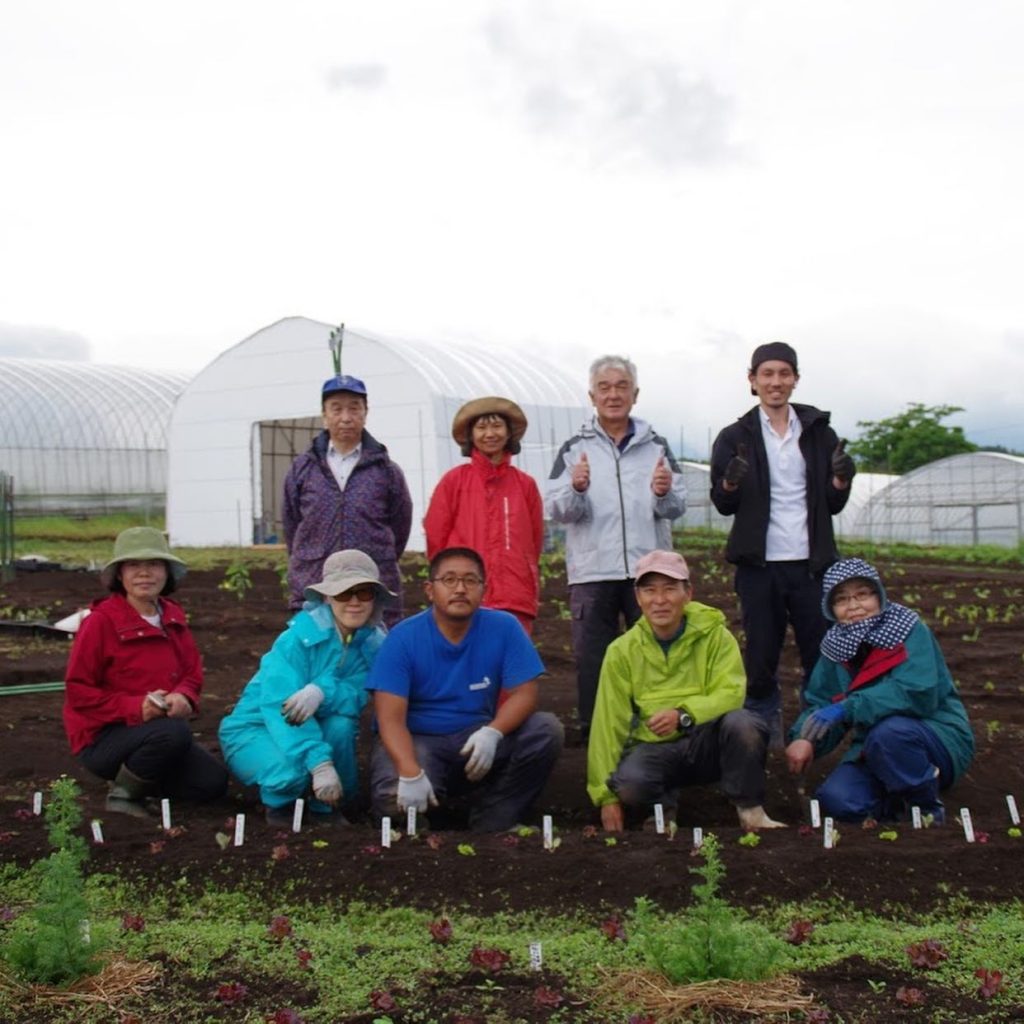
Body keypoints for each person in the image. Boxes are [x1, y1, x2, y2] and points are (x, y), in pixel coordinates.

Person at [709, 342, 856, 741]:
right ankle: (763, 729)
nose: (776, 382)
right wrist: (730, 482)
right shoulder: (734, 437)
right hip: (759, 565)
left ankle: (816, 729)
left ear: (795, 379)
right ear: (752, 380)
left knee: (819, 649)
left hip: (812, 564)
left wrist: (841, 479)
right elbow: (723, 503)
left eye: (784, 374)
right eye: (767, 374)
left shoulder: (819, 433)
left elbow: (833, 503)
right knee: (761, 653)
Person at [366, 546, 564, 831]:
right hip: (419, 740)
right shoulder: (403, 638)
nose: (460, 589)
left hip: (475, 739)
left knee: (545, 730)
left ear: (484, 589)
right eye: (449, 580)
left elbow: (525, 693)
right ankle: (426, 822)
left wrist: (492, 732)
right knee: (392, 798)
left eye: (470, 580)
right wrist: (409, 771)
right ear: (430, 590)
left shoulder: (504, 628)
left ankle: (495, 818)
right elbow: (390, 719)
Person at [587, 549, 783, 832]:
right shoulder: (622, 651)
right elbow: (608, 724)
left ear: (688, 593)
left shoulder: (716, 636)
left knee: (744, 724)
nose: (660, 600)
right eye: (650, 591)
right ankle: (662, 810)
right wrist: (605, 797)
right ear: (638, 598)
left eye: (670, 589)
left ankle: (750, 811)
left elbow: (731, 693)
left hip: (707, 742)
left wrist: (683, 715)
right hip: (655, 748)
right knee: (630, 784)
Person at [546, 355, 686, 739]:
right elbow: (557, 509)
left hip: (648, 571)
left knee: (654, 654)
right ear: (592, 396)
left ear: (635, 394)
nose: (613, 395)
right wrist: (576, 488)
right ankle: (597, 733)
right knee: (594, 658)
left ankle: (654, 731)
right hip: (592, 571)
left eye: (621, 387)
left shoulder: (656, 445)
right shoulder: (574, 448)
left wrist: (664, 493)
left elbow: (677, 507)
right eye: (604, 388)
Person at [786, 558, 974, 823]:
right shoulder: (835, 647)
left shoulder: (909, 630)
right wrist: (805, 737)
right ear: (831, 608)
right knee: (838, 799)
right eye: (841, 599)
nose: (853, 606)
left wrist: (848, 707)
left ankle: (926, 810)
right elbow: (823, 702)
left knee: (890, 734)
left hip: (934, 734)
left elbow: (916, 693)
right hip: (875, 745)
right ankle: (897, 802)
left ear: (879, 596)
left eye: (862, 594)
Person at [219, 550, 392, 826]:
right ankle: (281, 809)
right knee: (291, 775)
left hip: (316, 724)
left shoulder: (372, 646)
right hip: (257, 727)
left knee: (341, 725)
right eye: (344, 593)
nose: (354, 602)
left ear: (375, 599)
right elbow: (280, 708)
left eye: (364, 593)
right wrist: (320, 763)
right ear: (327, 597)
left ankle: (329, 808)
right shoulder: (295, 641)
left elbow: (354, 696)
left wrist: (320, 691)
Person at [63, 527, 228, 817]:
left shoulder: (172, 616)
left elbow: (191, 673)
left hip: (157, 734)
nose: (144, 573)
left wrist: (183, 696)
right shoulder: (100, 622)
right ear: (119, 575)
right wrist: (136, 708)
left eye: (153, 564)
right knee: (174, 733)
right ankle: (124, 797)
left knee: (211, 783)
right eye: (133, 565)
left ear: (166, 572)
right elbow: (78, 691)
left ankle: (141, 781)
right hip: (103, 738)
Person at [283, 373, 412, 626]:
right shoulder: (303, 468)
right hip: (315, 580)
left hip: (371, 585)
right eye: (336, 409)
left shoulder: (386, 470)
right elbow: (291, 523)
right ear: (324, 415)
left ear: (366, 413)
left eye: (354, 408)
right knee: (316, 646)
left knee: (374, 647)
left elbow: (400, 526)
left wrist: (375, 557)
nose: (345, 417)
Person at [423, 397, 543, 633]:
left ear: (509, 433)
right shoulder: (453, 481)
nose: (490, 434)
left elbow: (534, 541)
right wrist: (448, 582)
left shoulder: (525, 484)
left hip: (514, 596)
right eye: (481, 427)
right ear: (471, 435)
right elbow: (436, 538)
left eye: (497, 426)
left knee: (511, 655)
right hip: (462, 596)